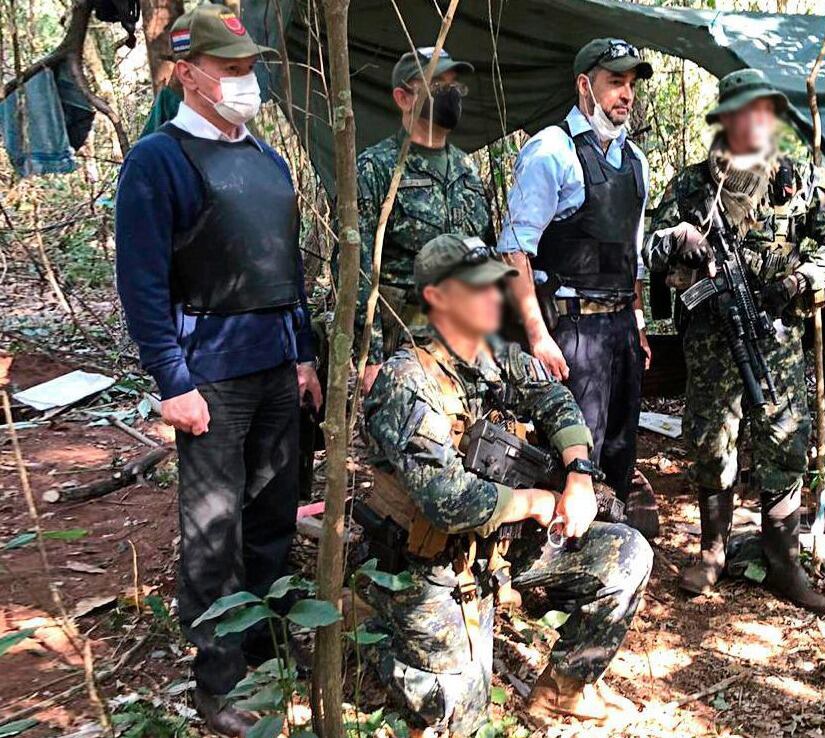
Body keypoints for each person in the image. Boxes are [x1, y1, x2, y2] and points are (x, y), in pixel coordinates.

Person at [114, 5, 321, 735]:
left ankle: (264, 648)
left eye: (249, 67)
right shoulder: (159, 159)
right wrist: (172, 381)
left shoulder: (264, 155)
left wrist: (301, 353)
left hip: (273, 366)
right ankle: (219, 680)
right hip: (210, 373)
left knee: (272, 513)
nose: (246, 80)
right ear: (186, 73)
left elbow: (286, 267)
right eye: (231, 69)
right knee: (213, 530)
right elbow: (140, 280)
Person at [361, 233, 652, 736]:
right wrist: (536, 501)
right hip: (429, 564)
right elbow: (448, 500)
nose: (494, 298)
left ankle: (564, 690)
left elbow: (554, 398)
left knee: (626, 554)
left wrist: (579, 472)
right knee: (459, 713)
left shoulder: (493, 354)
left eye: (497, 286)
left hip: (495, 545)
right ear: (436, 298)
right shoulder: (407, 380)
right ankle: (378, 633)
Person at [647, 69, 825, 612]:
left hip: (776, 333)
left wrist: (798, 279)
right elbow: (648, 249)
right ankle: (712, 551)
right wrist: (679, 238)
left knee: (784, 438)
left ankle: (783, 562)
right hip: (710, 339)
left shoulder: (799, 179)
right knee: (709, 439)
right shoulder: (692, 184)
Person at [497, 38, 658, 538]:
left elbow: (631, 254)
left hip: (619, 332)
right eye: (615, 83)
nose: (625, 95)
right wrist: (539, 335)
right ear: (584, 84)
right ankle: (555, 563)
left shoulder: (635, 161)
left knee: (618, 450)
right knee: (571, 454)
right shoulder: (552, 152)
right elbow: (515, 250)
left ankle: (606, 558)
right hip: (571, 331)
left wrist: (637, 321)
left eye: (631, 85)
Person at [349, 47, 492, 392]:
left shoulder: (466, 169)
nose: (451, 94)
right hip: (402, 352)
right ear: (402, 97)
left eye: (454, 85)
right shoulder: (377, 168)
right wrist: (368, 357)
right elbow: (356, 266)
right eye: (437, 84)